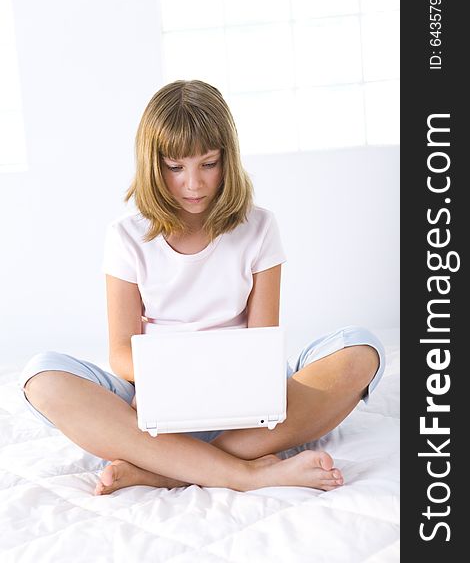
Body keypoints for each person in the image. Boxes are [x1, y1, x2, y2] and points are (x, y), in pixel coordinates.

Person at [19, 80, 385, 496]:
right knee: (41, 376)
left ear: (227, 158)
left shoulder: (259, 226)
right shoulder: (126, 236)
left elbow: (261, 341)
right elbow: (121, 352)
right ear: (153, 166)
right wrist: (179, 376)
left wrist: (224, 376)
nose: (193, 184)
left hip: (244, 394)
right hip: (157, 393)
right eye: (175, 168)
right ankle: (246, 472)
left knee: (361, 348)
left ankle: (165, 468)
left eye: (208, 164)